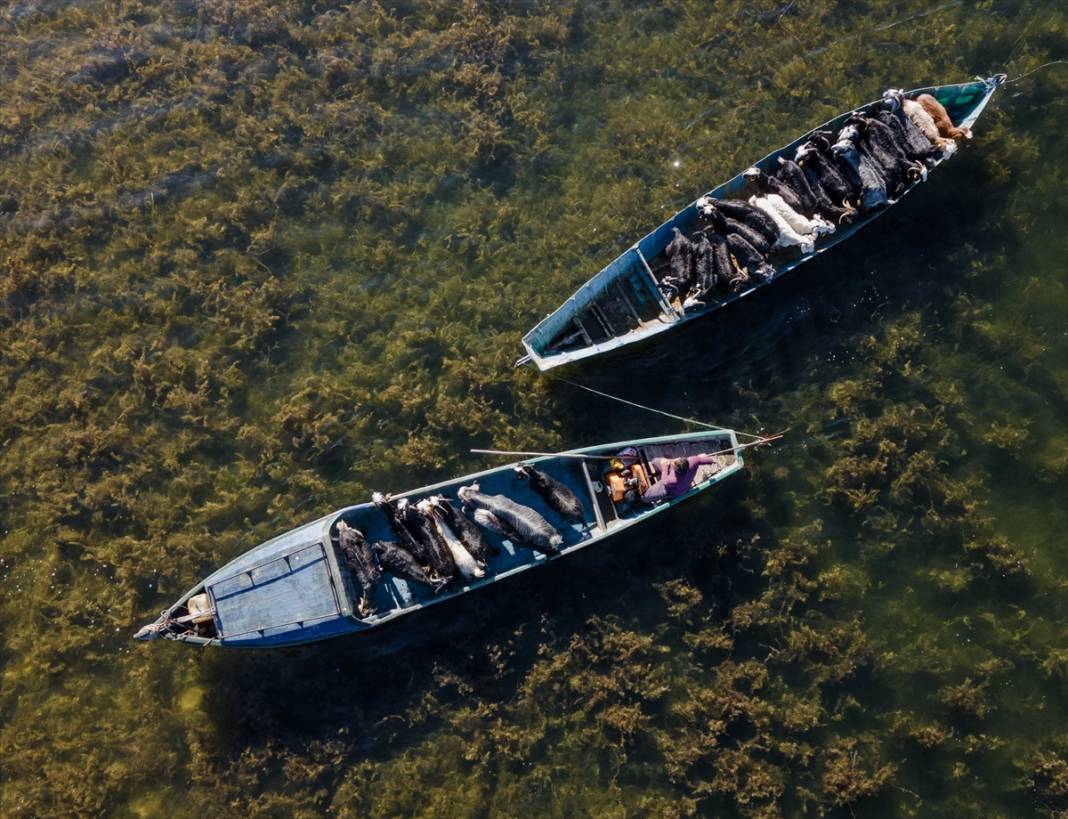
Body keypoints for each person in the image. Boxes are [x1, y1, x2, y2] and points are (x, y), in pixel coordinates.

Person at [641, 453, 722, 502]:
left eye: (673, 464)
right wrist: (709, 459)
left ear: (676, 470)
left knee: (645, 497)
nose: (672, 462)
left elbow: (664, 481)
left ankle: (646, 499)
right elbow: (706, 460)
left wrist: (664, 467)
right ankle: (659, 470)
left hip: (672, 490)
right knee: (655, 461)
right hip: (682, 481)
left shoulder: (672, 480)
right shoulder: (693, 460)